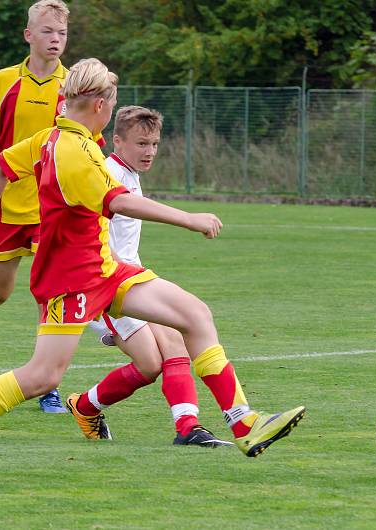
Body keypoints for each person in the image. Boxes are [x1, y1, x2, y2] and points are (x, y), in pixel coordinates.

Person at [0, 58, 305, 485]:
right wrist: (189, 217)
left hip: (106, 269)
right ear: (99, 104)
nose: (113, 108)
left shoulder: (55, 137)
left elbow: (1, 166)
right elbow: (119, 202)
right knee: (43, 376)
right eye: (112, 101)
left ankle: (243, 423)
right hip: (70, 281)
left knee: (195, 314)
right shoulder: (73, 151)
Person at [67, 105, 232, 447]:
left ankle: (185, 426)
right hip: (106, 284)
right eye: (142, 144)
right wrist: (187, 218)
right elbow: (93, 234)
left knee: (162, 352)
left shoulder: (127, 173)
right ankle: (89, 407)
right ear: (117, 141)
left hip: (131, 277)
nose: (150, 152)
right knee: (155, 357)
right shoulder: (107, 173)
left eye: (154, 144)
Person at [0, 0, 74, 413]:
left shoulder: (75, 85)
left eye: (61, 33)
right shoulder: (4, 81)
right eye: (46, 32)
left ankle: (47, 383)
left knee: (51, 293)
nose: (55, 39)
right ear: (28, 35)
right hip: (6, 205)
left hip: (53, 210)